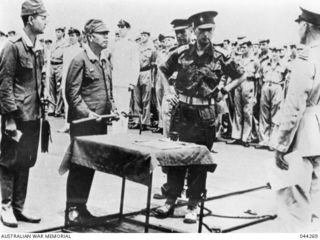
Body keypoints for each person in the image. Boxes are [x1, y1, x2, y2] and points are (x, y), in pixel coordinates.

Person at [155, 11, 245, 223]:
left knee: (199, 160)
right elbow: (162, 69)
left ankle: (193, 204)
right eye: (202, 30)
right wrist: (169, 90)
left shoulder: (221, 55)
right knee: (175, 156)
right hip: (182, 111)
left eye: (210, 30)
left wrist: (225, 90)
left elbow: (241, 74)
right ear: (193, 30)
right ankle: (170, 199)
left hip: (205, 114)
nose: (206, 35)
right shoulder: (182, 52)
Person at [270, 6, 320, 232]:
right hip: (317, 133)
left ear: (306, 25)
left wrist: (280, 144)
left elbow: (294, 107)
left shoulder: (305, 57)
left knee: (295, 207)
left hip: (302, 137)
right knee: (316, 206)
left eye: (299, 22)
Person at [0, 0, 48, 228]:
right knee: (10, 161)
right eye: (42, 16)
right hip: (16, 117)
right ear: (30, 19)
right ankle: (6, 206)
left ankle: (19, 206)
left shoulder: (38, 46)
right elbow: (4, 84)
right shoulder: (13, 46)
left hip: (33, 115)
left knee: (27, 160)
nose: (45, 20)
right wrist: (9, 118)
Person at [64, 19, 115, 226]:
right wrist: (88, 112)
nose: (106, 37)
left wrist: (113, 110)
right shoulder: (80, 60)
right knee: (79, 166)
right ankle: (72, 210)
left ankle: (82, 207)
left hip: (99, 123)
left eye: (107, 33)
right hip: (83, 123)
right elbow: (72, 94)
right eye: (102, 34)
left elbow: (107, 91)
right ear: (91, 36)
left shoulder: (104, 60)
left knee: (90, 166)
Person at [110, 19, 140, 134]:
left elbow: (135, 64)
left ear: (128, 29)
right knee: (115, 108)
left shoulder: (132, 45)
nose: (120, 30)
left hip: (125, 82)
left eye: (122, 27)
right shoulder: (115, 45)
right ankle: (115, 132)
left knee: (124, 109)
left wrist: (132, 82)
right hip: (116, 80)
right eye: (119, 27)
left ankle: (122, 133)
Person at [229, 40, 259, 147]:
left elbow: (257, 79)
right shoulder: (239, 59)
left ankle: (246, 138)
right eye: (241, 47)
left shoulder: (254, 60)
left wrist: (255, 94)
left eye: (244, 47)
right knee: (237, 111)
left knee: (247, 112)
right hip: (238, 85)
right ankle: (237, 136)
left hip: (249, 84)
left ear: (250, 47)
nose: (242, 49)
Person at [130, 29, 157, 130]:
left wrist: (153, 80)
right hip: (137, 72)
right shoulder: (136, 48)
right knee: (137, 98)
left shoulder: (152, 49)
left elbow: (154, 66)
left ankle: (145, 122)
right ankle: (137, 121)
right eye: (141, 35)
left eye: (145, 35)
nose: (143, 37)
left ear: (148, 36)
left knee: (146, 98)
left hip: (146, 72)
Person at [58, 27, 82, 133]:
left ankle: (76, 125)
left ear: (78, 37)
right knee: (66, 103)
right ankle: (67, 124)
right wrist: (62, 82)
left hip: (76, 80)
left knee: (76, 103)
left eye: (73, 36)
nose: (71, 38)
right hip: (66, 80)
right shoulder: (66, 50)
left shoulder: (81, 50)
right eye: (70, 35)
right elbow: (64, 67)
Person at [48, 26, 67, 117]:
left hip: (60, 65)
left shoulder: (65, 43)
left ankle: (58, 110)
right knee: (52, 88)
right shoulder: (54, 43)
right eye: (56, 32)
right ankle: (52, 107)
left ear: (63, 33)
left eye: (59, 32)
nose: (57, 34)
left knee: (59, 88)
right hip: (52, 65)